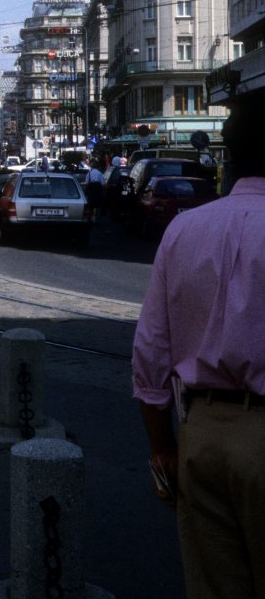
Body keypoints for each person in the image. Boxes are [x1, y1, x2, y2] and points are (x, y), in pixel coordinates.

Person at [132, 96, 265, 599]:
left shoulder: (184, 229)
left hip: (201, 437)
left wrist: (162, 448)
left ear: (228, 157)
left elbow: (150, 352)